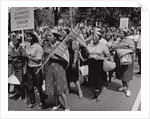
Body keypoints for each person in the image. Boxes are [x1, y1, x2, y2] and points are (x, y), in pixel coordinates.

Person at [43, 29, 70, 111]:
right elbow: (44, 57)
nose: (48, 37)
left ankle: (66, 106)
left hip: (58, 70)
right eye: (47, 36)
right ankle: (57, 104)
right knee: (53, 88)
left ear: (55, 36)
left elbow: (66, 59)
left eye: (50, 36)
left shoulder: (61, 45)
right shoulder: (46, 45)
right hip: (49, 69)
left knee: (60, 89)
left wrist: (55, 58)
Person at [25, 32, 46, 110]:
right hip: (29, 68)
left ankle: (43, 102)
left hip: (37, 68)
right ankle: (32, 102)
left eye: (30, 36)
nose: (28, 38)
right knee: (30, 86)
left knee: (39, 86)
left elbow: (38, 60)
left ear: (33, 37)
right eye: (27, 36)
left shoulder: (38, 47)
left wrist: (28, 56)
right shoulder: (27, 46)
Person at [87, 31, 111, 102]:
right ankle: (94, 94)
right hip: (91, 64)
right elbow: (87, 53)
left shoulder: (103, 46)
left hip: (100, 65)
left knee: (100, 80)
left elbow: (108, 57)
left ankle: (99, 94)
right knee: (92, 80)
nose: (94, 38)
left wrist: (101, 58)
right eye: (93, 37)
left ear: (99, 38)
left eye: (96, 37)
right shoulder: (89, 45)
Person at [114, 30, 135, 97]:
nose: (119, 34)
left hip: (126, 59)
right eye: (119, 33)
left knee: (126, 74)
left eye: (121, 33)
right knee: (121, 73)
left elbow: (133, 49)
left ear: (125, 34)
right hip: (119, 59)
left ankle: (128, 89)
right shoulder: (119, 40)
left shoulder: (129, 41)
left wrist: (122, 51)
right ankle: (124, 86)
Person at [65, 34, 84, 100]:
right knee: (66, 75)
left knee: (74, 76)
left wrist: (74, 62)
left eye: (64, 32)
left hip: (71, 59)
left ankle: (79, 90)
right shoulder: (62, 41)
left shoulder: (72, 41)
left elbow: (76, 52)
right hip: (65, 60)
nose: (62, 33)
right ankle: (68, 88)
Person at [9, 35, 27, 100]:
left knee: (21, 82)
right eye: (13, 41)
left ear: (18, 42)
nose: (14, 43)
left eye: (15, 41)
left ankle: (22, 95)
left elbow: (25, 58)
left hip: (20, 67)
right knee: (16, 82)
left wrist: (24, 68)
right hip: (15, 67)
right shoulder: (13, 49)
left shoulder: (21, 49)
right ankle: (18, 93)